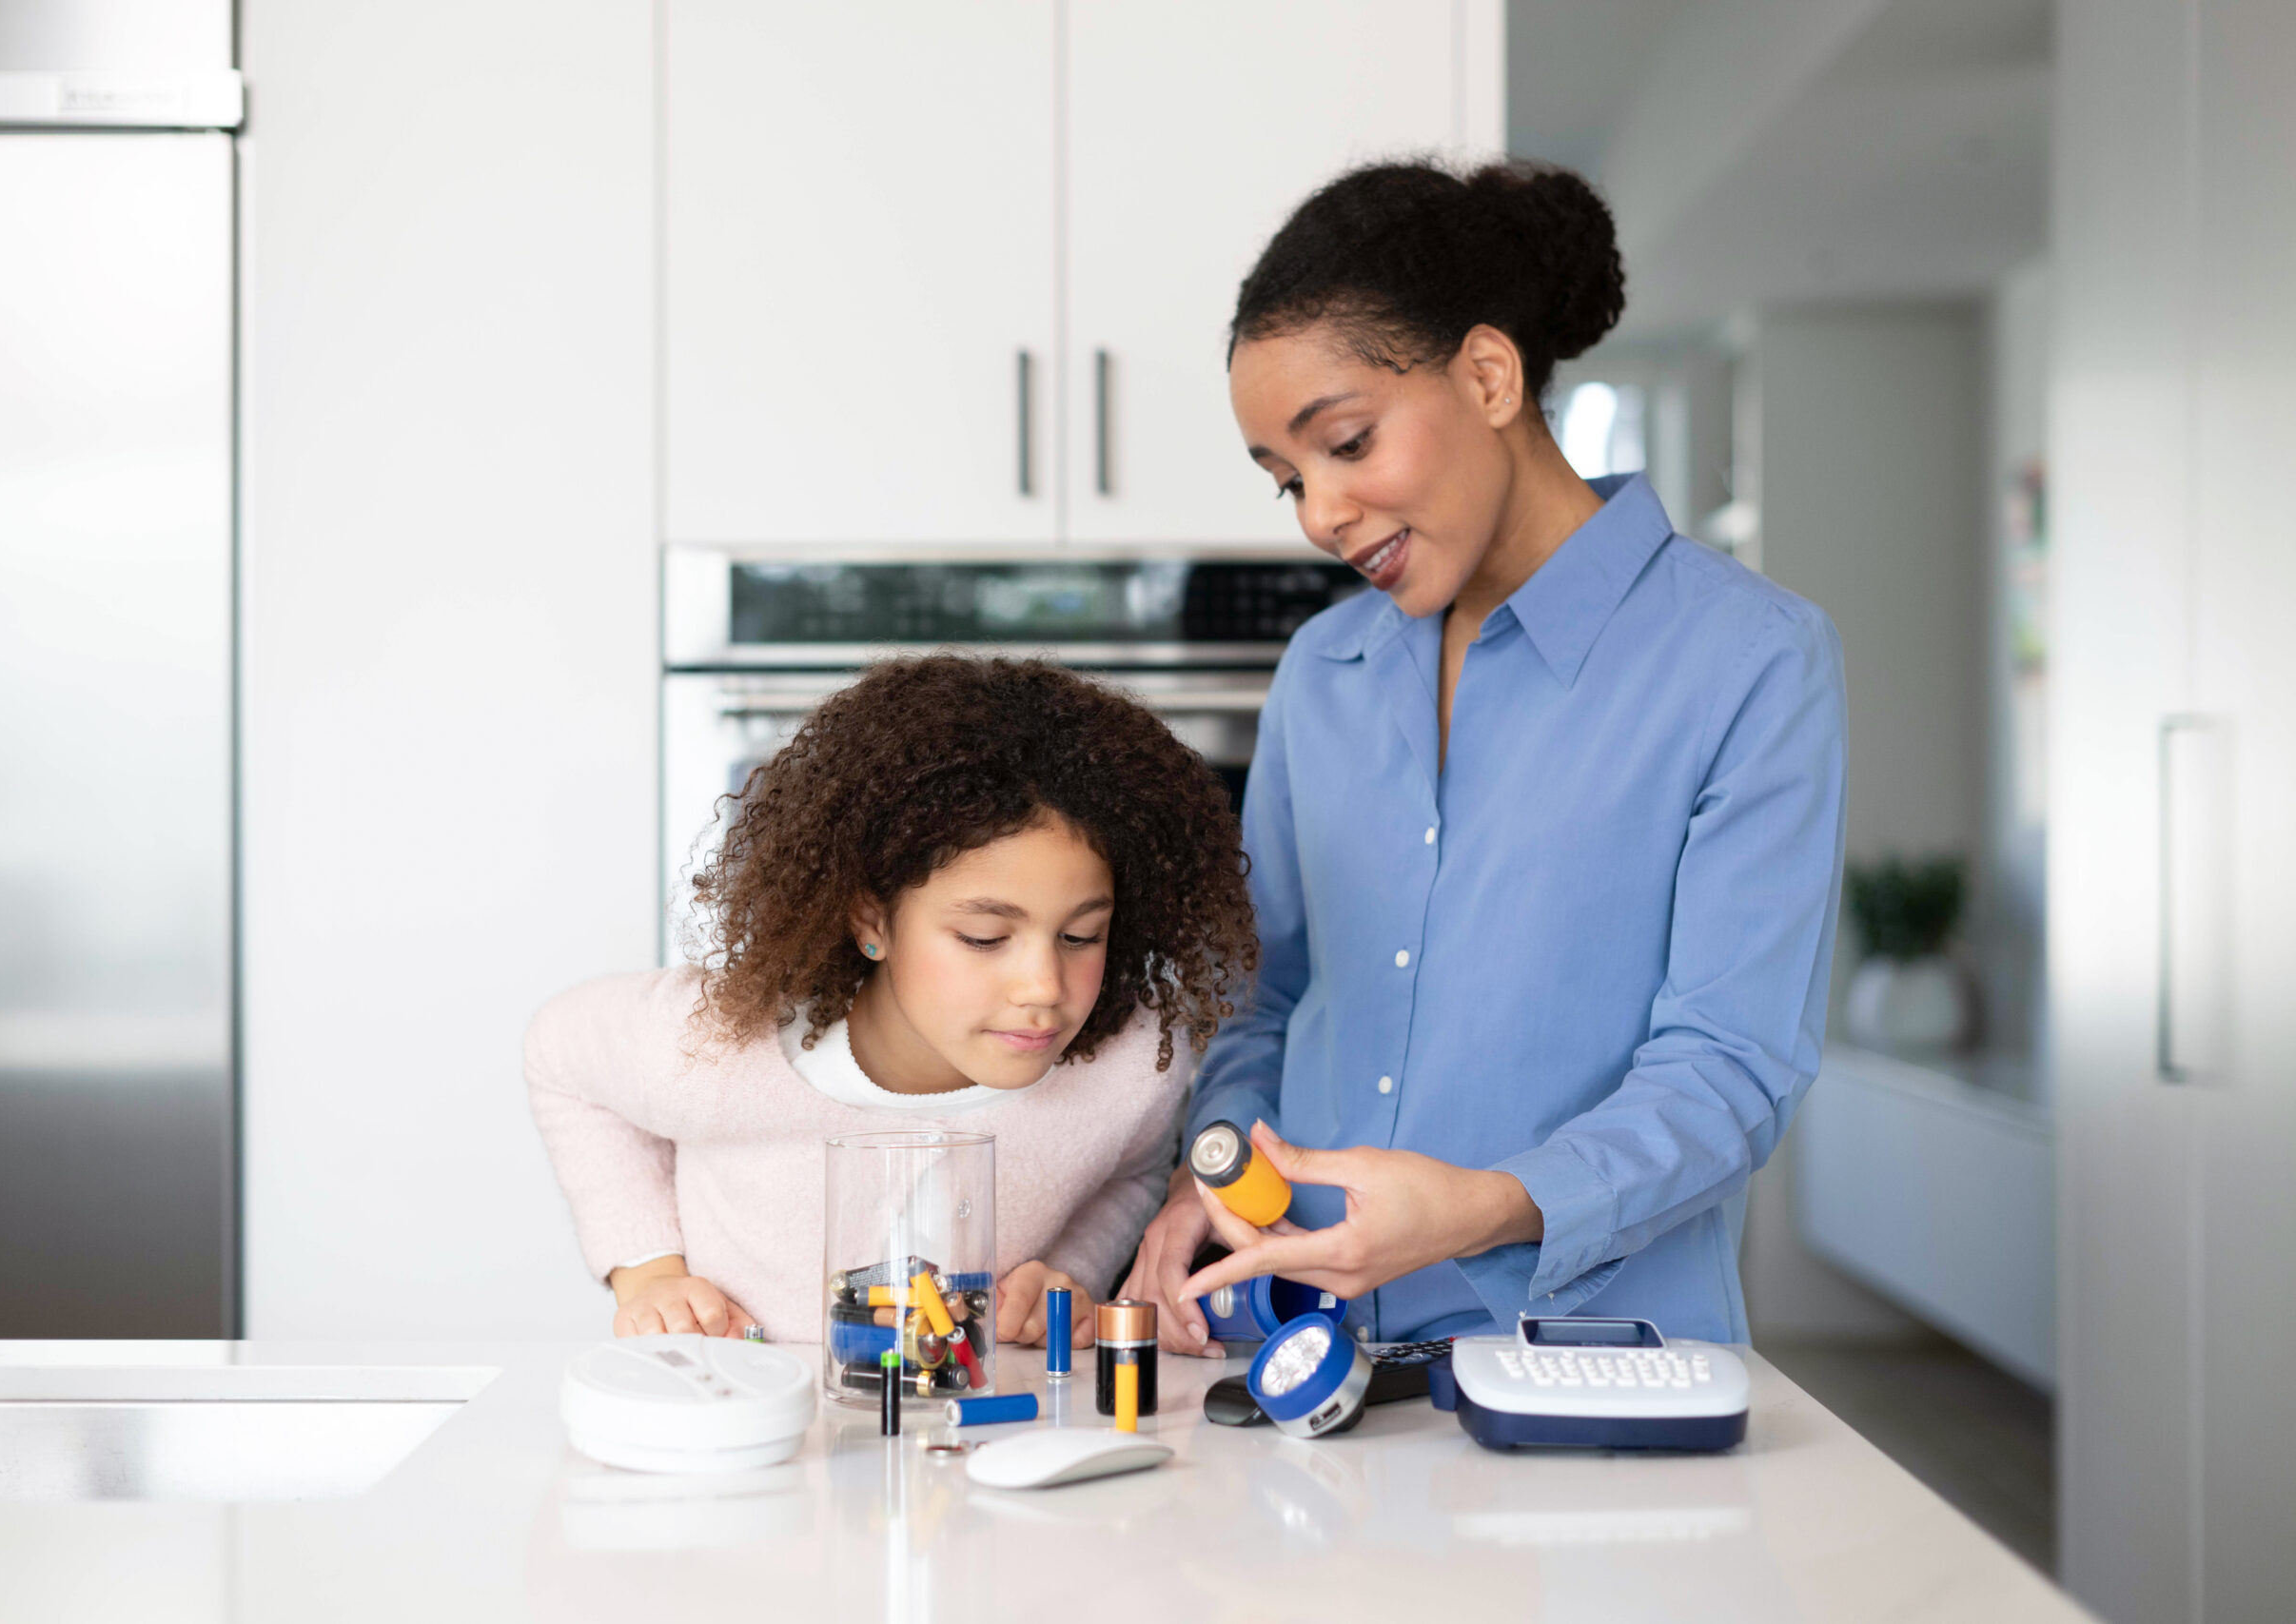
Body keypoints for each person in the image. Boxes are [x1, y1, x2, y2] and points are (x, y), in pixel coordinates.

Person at [1122, 158, 1848, 1352]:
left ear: (1488, 374)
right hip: (1304, 1349)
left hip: (1592, 1363)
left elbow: (1730, 1068)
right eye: (1289, 482)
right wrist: (1217, 1164)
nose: (1320, 514)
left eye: (1347, 443)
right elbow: (1263, 997)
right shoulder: (1324, 672)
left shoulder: (1750, 660)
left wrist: (1481, 1210)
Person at [526, 655, 1256, 1347]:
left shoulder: (1130, 1068)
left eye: (1080, 935)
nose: (1043, 987)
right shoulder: (714, 1048)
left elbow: (1130, 1169)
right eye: (982, 936)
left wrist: (1072, 1268)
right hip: (746, 1433)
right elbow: (558, 1054)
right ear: (873, 920)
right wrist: (648, 1268)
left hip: (965, 1447)